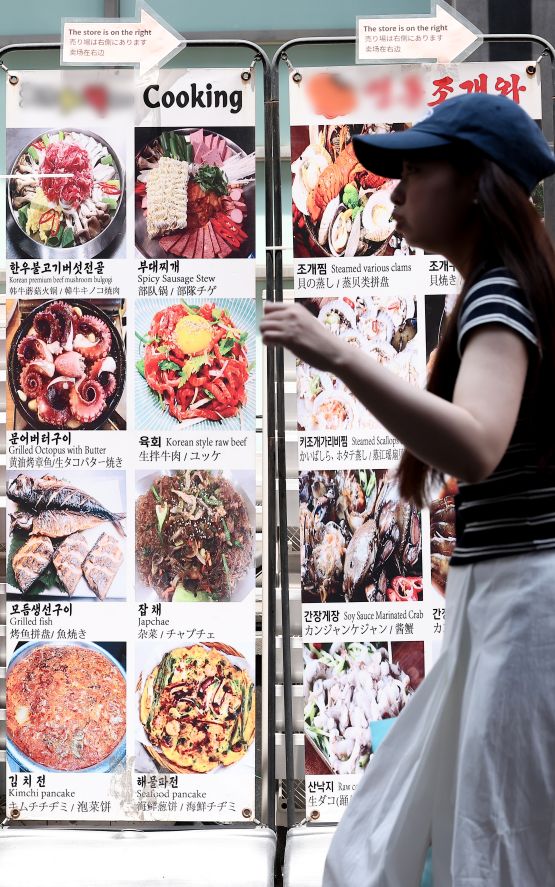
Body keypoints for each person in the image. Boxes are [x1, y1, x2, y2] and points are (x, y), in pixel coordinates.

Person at [260, 92, 555, 887]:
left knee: (494, 831)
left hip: (521, 599)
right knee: (456, 822)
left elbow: (478, 443)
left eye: (415, 170)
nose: (393, 191)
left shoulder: (496, 293)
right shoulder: (497, 287)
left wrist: (340, 356)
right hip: (503, 594)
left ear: (474, 185)